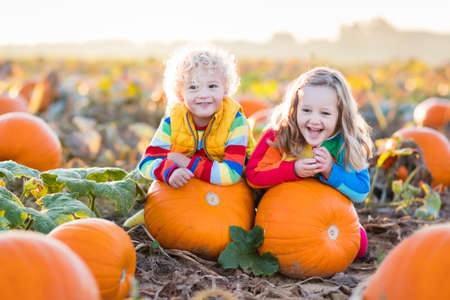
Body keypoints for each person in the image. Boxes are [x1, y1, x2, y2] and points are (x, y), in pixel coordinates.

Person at [245, 67, 374, 259]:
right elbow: (253, 175)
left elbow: (361, 192)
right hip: (281, 217)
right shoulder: (280, 135)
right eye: (306, 110)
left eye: (325, 113)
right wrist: (293, 169)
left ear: (340, 115)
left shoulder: (345, 143)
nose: (314, 120)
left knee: (358, 246)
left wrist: (332, 170)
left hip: (324, 219)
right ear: (294, 108)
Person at [138, 45, 255, 188]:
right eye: (193, 87)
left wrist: (186, 163)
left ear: (225, 89)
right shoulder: (172, 123)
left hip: (229, 196)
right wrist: (170, 171)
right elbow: (147, 163)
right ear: (180, 93)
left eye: (212, 86)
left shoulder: (236, 122)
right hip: (185, 196)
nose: (204, 94)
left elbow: (231, 174)